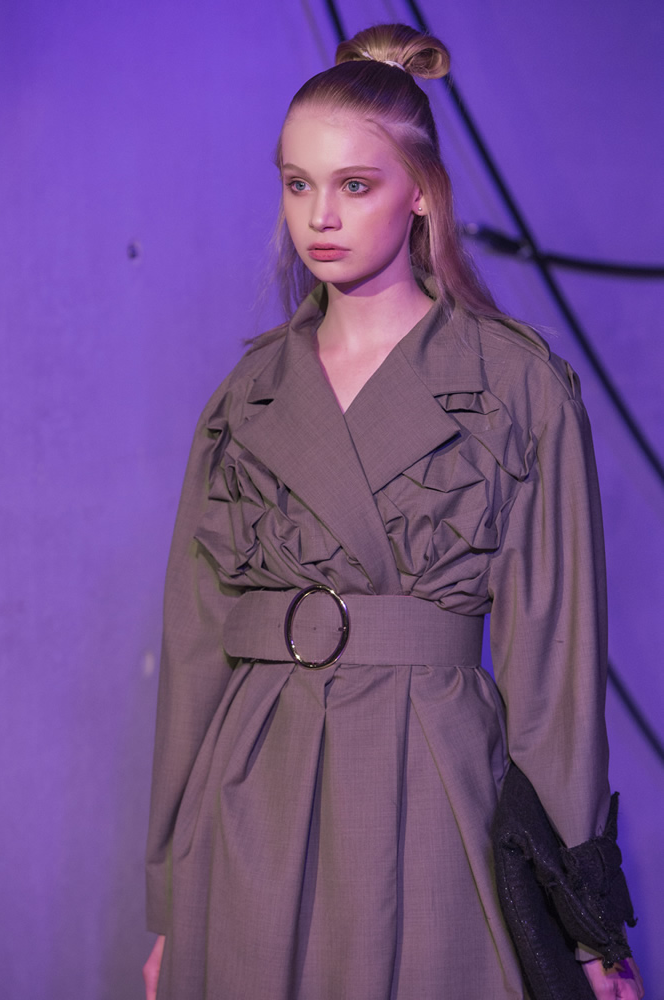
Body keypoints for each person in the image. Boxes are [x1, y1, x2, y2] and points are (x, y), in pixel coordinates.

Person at [143, 23, 644, 1000]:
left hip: (433, 796)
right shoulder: (246, 397)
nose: (319, 215)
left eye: (354, 184)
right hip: (249, 804)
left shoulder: (515, 386)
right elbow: (194, 649)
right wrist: (169, 901)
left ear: (421, 192)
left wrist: (587, 931)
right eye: (297, 184)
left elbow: (553, 675)